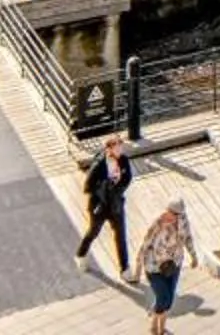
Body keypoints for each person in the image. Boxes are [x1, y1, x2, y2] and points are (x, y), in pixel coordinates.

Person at [136, 197, 200, 332]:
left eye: (178, 214)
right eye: (171, 213)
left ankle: (156, 323)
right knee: (163, 297)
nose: (174, 216)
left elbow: (188, 238)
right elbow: (145, 243)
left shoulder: (183, 221)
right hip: (154, 267)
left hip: (174, 265)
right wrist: (138, 266)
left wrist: (193, 256)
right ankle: (158, 329)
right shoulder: (158, 224)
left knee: (169, 299)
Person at [77, 133, 134, 275]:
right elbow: (87, 186)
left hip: (115, 203)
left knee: (120, 236)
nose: (120, 151)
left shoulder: (123, 160)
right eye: (118, 148)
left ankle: (125, 269)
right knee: (93, 231)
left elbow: (127, 178)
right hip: (100, 205)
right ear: (109, 149)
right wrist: (102, 188)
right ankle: (81, 254)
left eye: (121, 147)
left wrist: (117, 189)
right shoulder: (99, 164)